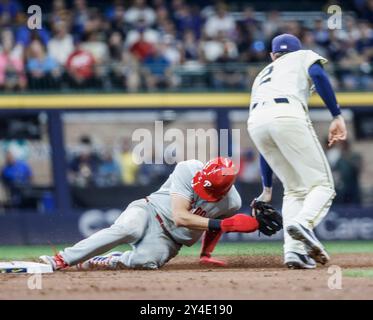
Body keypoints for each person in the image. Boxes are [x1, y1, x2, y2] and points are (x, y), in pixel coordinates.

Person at [40, 157, 281, 270]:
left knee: (146, 262)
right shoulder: (188, 169)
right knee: (127, 229)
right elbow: (180, 216)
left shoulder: (232, 201)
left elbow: (214, 225)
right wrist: (225, 225)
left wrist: (206, 253)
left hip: (170, 241)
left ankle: (107, 259)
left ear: (225, 189)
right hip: (148, 211)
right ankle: (62, 259)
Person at [247, 34, 347, 269]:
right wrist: (336, 115)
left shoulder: (262, 75)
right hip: (288, 114)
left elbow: (267, 146)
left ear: (273, 55)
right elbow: (319, 75)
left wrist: (267, 188)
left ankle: (293, 252)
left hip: (256, 122)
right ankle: (304, 222)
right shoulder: (303, 56)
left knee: (294, 190)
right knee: (323, 186)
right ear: (297, 50)